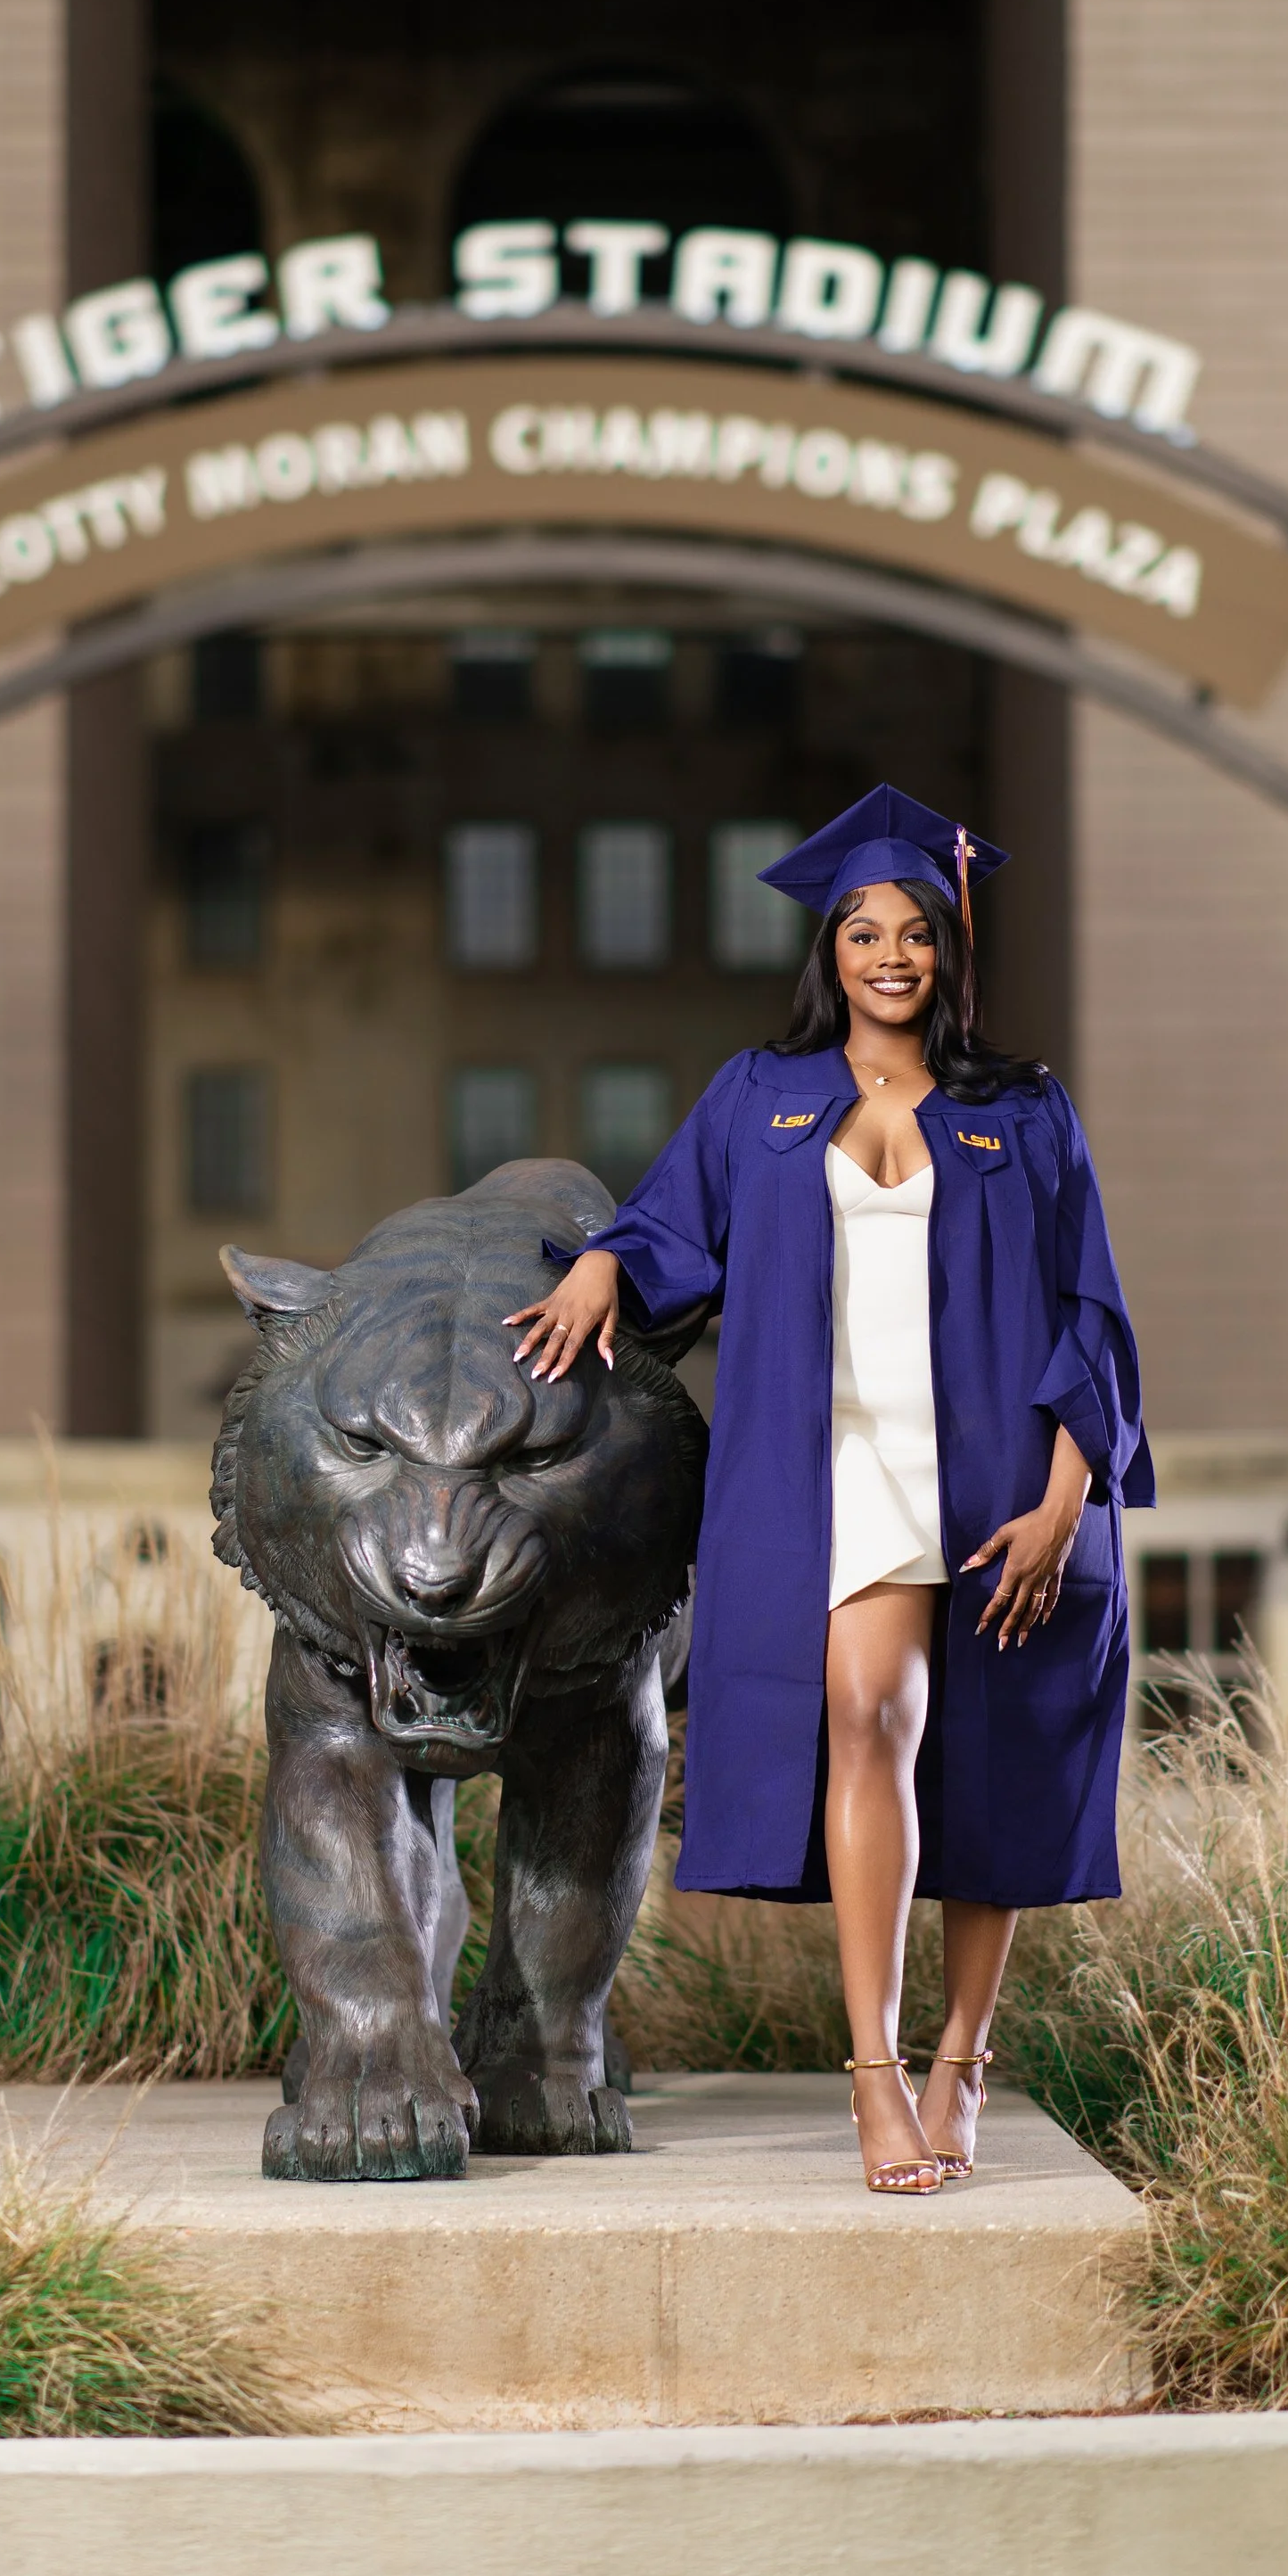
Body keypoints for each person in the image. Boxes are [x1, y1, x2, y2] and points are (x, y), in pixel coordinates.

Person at [505, 784, 1153, 2194]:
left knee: (996, 1757)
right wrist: (607, 1263)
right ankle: (872, 2070)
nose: (892, 955)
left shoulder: (1022, 1112)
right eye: (866, 931)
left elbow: (1087, 1311)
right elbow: (671, 1225)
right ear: (833, 951)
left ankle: (961, 2063)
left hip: (996, 1474)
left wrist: (1065, 1497)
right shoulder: (762, 1097)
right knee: (863, 1716)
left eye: (917, 931)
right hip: (833, 1474)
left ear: (949, 953)